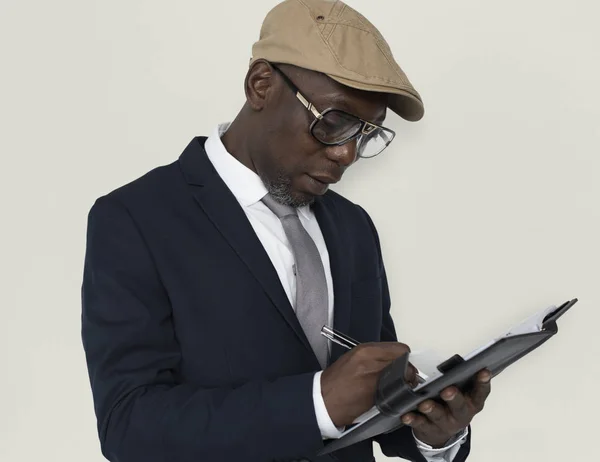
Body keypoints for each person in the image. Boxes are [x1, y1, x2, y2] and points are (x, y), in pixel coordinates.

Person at [81, 1, 491, 461]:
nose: (347, 155)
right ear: (261, 85)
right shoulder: (136, 219)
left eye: (367, 135)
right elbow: (129, 426)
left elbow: (373, 403)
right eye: (334, 123)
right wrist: (313, 403)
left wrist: (434, 434)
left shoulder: (353, 227)